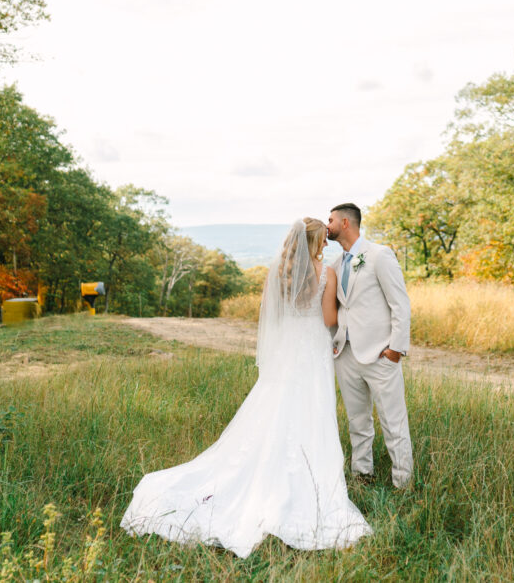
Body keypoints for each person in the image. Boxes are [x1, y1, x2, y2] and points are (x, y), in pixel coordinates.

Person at [120, 218, 371, 558]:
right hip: (312, 351)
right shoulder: (325, 273)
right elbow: (328, 320)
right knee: (312, 411)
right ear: (314, 243)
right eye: (323, 239)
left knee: (276, 409)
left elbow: (273, 316)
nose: (326, 243)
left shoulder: (278, 273)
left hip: (287, 353)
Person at [327, 203, 413, 489]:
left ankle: (404, 482)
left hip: (380, 355)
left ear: (346, 223)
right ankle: (362, 475)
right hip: (346, 354)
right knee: (357, 420)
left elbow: (400, 303)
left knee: (393, 422)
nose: (327, 225)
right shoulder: (336, 265)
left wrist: (395, 350)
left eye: (331, 220)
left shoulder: (379, 255)